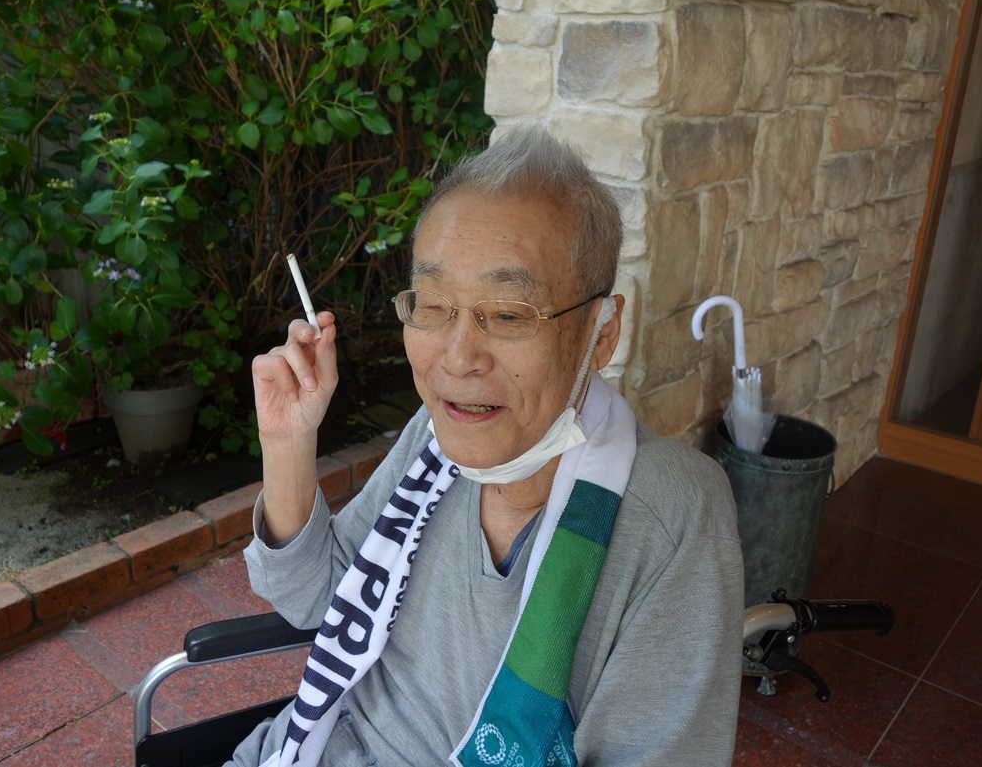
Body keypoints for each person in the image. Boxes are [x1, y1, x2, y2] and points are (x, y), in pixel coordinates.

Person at [230, 126, 743, 767]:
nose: (458, 358)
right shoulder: (433, 439)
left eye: (508, 313)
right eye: (432, 305)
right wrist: (288, 442)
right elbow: (319, 600)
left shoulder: (672, 514)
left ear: (601, 334)